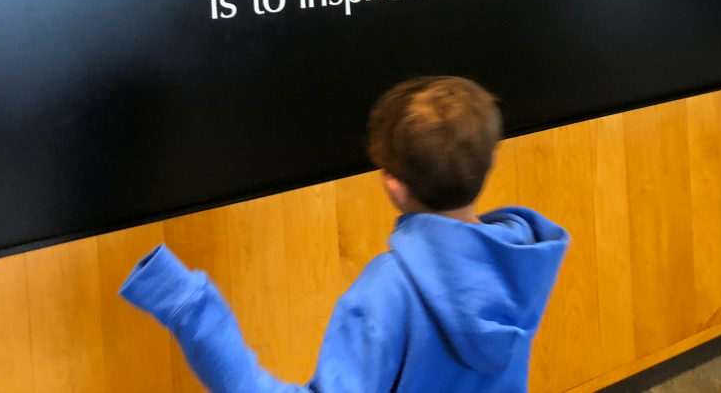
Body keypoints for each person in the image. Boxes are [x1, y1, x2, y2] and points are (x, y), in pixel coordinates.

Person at [120, 76, 569, 392]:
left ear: (393, 185)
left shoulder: (389, 293)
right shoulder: (518, 259)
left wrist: (189, 308)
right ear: (491, 161)